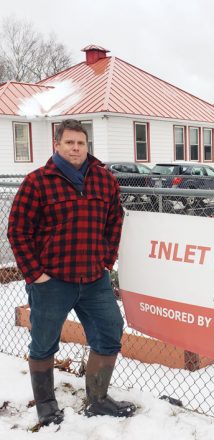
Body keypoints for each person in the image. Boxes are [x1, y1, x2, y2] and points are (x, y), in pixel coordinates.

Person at [7, 119, 136, 425]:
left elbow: (114, 222)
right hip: (51, 280)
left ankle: (98, 399)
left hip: (94, 279)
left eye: (80, 143)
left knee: (109, 332)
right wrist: (35, 274)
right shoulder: (37, 181)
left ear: (86, 145)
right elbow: (18, 231)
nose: (75, 148)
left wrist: (106, 260)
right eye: (69, 143)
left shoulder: (105, 180)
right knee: (43, 342)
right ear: (57, 145)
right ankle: (46, 404)